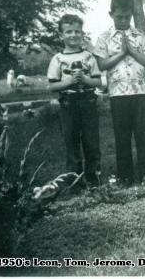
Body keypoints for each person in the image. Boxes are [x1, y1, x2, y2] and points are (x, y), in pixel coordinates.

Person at [93, 0, 145, 186]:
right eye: (119, 16)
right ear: (111, 14)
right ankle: (126, 178)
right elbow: (101, 65)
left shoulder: (140, 36)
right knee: (122, 138)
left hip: (141, 93)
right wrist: (121, 53)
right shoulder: (104, 38)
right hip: (118, 95)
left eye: (127, 16)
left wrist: (133, 52)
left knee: (144, 136)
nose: (123, 20)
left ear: (132, 14)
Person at [47, 14, 102, 186]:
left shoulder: (89, 57)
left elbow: (99, 81)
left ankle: (94, 179)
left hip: (88, 102)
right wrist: (69, 81)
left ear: (82, 34)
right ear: (61, 35)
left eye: (77, 31)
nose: (73, 35)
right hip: (68, 103)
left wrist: (85, 80)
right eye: (68, 31)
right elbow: (52, 86)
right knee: (71, 143)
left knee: (91, 142)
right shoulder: (58, 59)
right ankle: (75, 182)